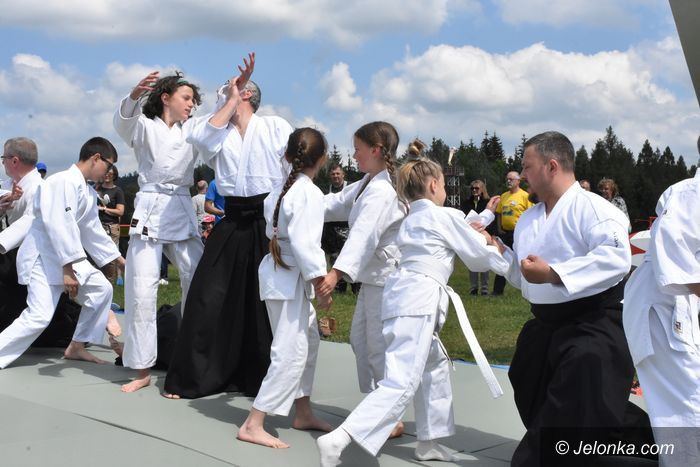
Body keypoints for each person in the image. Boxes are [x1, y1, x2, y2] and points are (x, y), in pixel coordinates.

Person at [317, 156, 509, 466]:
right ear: (433, 185)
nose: (445, 190)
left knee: (434, 365)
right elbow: (475, 256)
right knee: (402, 381)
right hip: (416, 302)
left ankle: (428, 441)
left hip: (402, 297)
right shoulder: (442, 216)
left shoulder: (412, 218)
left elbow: (458, 229)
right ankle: (340, 438)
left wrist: (483, 218)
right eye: (443, 185)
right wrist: (498, 252)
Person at [502, 131, 638, 467]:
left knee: (574, 394)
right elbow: (524, 274)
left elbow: (615, 258)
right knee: (528, 376)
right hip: (546, 322)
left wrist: (553, 273)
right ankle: (653, 442)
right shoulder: (529, 218)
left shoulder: (595, 209)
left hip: (594, 321)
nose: (522, 174)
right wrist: (496, 252)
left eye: (527, 166)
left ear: (551, 166)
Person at [164, 53, 294, 399]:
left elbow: (291, 172)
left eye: (229, 90)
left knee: (262, 303)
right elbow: (201, 139)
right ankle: (193, 376)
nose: (221, 96)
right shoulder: (216, 132)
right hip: (232, 218)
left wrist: (285, 221)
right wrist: (231, 99)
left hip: (267, 220)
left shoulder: (275, 126)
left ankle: (264, 380)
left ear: (246, 94)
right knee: (208, 296)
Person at [237, 127, 333, 448]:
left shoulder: (282, 188)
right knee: (289, 351)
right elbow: (305, 244)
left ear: (290, 155)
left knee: (308, 340)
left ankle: (302, 412)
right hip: (290, 274)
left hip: (279, 273)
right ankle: (254, 422)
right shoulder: (307, 193)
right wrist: (321, 281)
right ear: (322, 158)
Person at [113, 70, 206, 392]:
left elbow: (217, 125)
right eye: (186, 98)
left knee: (200, 280)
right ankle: (142, 369)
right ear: (166, 98)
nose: (191, 105)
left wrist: (233, 95)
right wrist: (133, 96)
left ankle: (197, 359)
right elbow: (124, 123)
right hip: (151, 208)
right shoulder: (144, 126)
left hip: (180, 205)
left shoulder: (192, 129)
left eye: (194, 101)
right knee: (141, 290)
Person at [0, 137, 125, 368]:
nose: (109, 172)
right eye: (108, 166)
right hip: (43, 257)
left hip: (66, 257)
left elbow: (92, 231)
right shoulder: (61, 181)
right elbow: (58, 224)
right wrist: (67, 269)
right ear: (96, 158)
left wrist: (119, 260)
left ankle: (77, 346)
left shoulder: (87, 192)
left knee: (102, 289)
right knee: (39, 316)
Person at [317, 122, 408, 436]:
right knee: (361, 340)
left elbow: (364, 236)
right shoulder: (367, 183)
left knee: (379, 346)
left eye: (358, 149)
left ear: (377, 150)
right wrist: (297, 201)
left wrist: (336, 273)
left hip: (387, 280)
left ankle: (390, 415)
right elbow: (335, 204)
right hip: (372, 279)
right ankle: (379, 405)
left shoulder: (382, 191)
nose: (354, 155)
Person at [623, 157, 700, 466]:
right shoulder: (688, 193)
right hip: (664, 307)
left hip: (681, 305)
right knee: (686, 402)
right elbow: (672, 251)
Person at [0, 138, 44, 332]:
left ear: (14, 160)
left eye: (3, 158)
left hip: (28, 254)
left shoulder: (38, 187)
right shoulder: (10, 184)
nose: (2, 162)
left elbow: (30, 221)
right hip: (11, 253)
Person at [492, 171, 533, 296]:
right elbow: (499, 213)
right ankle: (497, 291)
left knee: (521, 259)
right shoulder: (504, 196)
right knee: (502, 258)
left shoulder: (525, 196)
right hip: (505, 233)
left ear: (518, 181)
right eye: (507, 179)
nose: (508, 181)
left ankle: (526, 287)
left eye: (511, 179)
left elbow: (531, 213)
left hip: (519, 234)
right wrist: (499, 227)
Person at [321, 163, 354, 294]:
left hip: (348, 229)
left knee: (351, 259)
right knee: (335, 260)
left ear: (343, 174)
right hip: (332, 231)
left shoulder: (351, 187)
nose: (335, 176)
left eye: (338, 173)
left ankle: (356, 288)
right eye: (333, 174)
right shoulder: (326, 189)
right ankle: (339, 289)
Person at [461, 179, 494, 295]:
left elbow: (491, 218)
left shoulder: (487, 203)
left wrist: (489, 233)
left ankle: (484, 288)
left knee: (485, 260)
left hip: (484, 234)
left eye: (476, 188)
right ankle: (473, 287)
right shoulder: (466, 203)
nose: (474, 190)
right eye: (472, 188)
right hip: (471, 235)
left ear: (482, 189)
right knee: (473, 260)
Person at [96, 165, 125, 284]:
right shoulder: (96, 189)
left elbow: (120, 211)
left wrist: (104, 209)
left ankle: (110, 282)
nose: (107, 175)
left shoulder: (117, 191)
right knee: (97, 255)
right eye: (105, 172)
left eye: (110, 173)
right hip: (97, 226)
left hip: (111, 227)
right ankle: (99, 281)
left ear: (114, 175)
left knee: (112, 256)